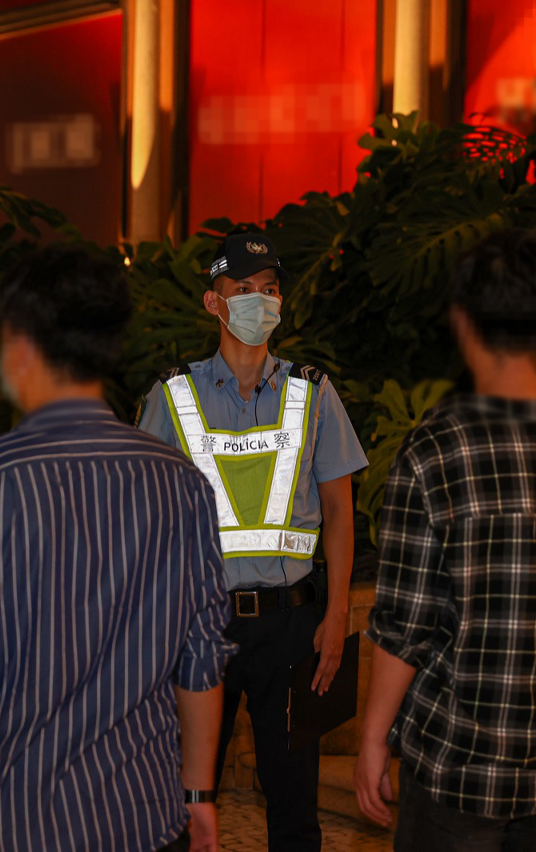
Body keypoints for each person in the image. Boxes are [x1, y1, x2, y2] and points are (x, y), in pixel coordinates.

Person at [0, 246, 235, 852]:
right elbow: (201, 656)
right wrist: (198, 793)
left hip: (6, 821)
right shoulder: (181, 484)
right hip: (142, 819)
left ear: (20, 348)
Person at [353, 229, 536, 850]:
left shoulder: (434, 448)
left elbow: (405, 624)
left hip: (455, 769)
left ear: (463, 322)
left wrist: (373, 739)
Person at [136, 232, 368, 852]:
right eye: (243, 289)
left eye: (269, 290)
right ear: (214, 303)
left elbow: (340, 513)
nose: (259, 301)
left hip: (292, 627)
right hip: (198, 626)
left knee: (295, 813)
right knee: (182, 809)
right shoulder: (171, 396)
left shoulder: (313, 392)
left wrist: (337, 614)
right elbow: (145, 521)